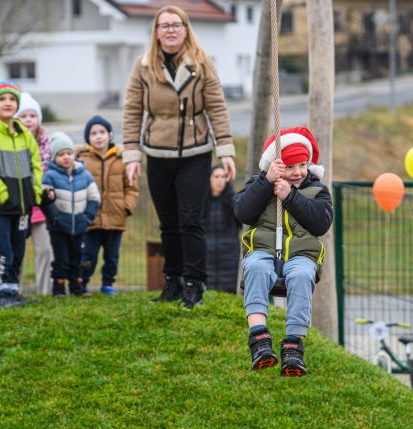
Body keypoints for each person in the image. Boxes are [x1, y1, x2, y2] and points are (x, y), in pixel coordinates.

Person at [122, 5, 237, 309]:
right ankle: (172, 282)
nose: (170, 30)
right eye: (164, 25)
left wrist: (225, 150)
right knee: (168, 222)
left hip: (195, 152)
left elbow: (217, 108)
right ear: (156, 32)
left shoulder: (202, 64)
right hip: (157, 153)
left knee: (190, 220)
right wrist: (131, 154)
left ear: (186, 29)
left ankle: (195, 284)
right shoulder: (144, 66)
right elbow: (133, 110)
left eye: (176, 24)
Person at [234, 127, 333, 377]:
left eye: (302, 164)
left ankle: (293, 346)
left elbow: (320, 223)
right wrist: (266, 183)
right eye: (290, 167)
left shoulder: (317, 190)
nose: (298, 172)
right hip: (263, 249)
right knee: (255, 267)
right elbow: (243, 212)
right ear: (276, 167)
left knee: (301, 276)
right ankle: (259, 339)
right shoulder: (261, 185)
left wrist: (290, 197)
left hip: (301, 255)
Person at [0, 81, 43, 308]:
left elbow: (36, 168)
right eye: (2, 99)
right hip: (0, 207)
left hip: (22, 206)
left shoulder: (25, 135)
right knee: (2, 251)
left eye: (12, 99)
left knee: (17, 250)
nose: (8, 103)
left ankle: (13, 291)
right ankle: (0, 294)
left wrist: (35, 194)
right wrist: (4, 196)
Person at [77, 115, 138, 296]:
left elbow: (132, 188)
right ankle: (81, 282)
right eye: (93, 133)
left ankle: (108, 283)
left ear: (109, 135)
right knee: (88, 255)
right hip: (90, 218)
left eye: (102, 132)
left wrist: (126, 207)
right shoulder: (82, 161)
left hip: (115, 217)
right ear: (88, 138)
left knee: (112, 256)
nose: (98, 136)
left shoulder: (122, 159)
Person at [42, 132, 101, 297]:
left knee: (78, 257)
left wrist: (87, 217)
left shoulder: (85, 175)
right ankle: (59, 288)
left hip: (80, 225)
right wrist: (55, 217)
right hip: (58, 227)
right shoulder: (50, 176)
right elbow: (46, 200)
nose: (66, 157)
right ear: (54, 157)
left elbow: (94, 198)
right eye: (61, 154)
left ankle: (78, 287)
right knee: (61, 259)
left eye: (69, 153)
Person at [15, 92, 54, 295]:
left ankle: (44, 291)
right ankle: (14, 291)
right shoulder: (12, 143)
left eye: (32, 115)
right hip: (18, 206)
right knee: (17, 252)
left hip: (40, 207)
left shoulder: (47, 145)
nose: (28, 120)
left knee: (45, 250)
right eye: (23, 116)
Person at [203, 164, 241, 293]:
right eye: (216, 176)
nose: (220, 180)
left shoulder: (234, 201)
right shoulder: (201, 202)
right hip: (206, 254)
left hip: (229, 255)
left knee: (228, 292)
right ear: (209, 179)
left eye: (223, 176)